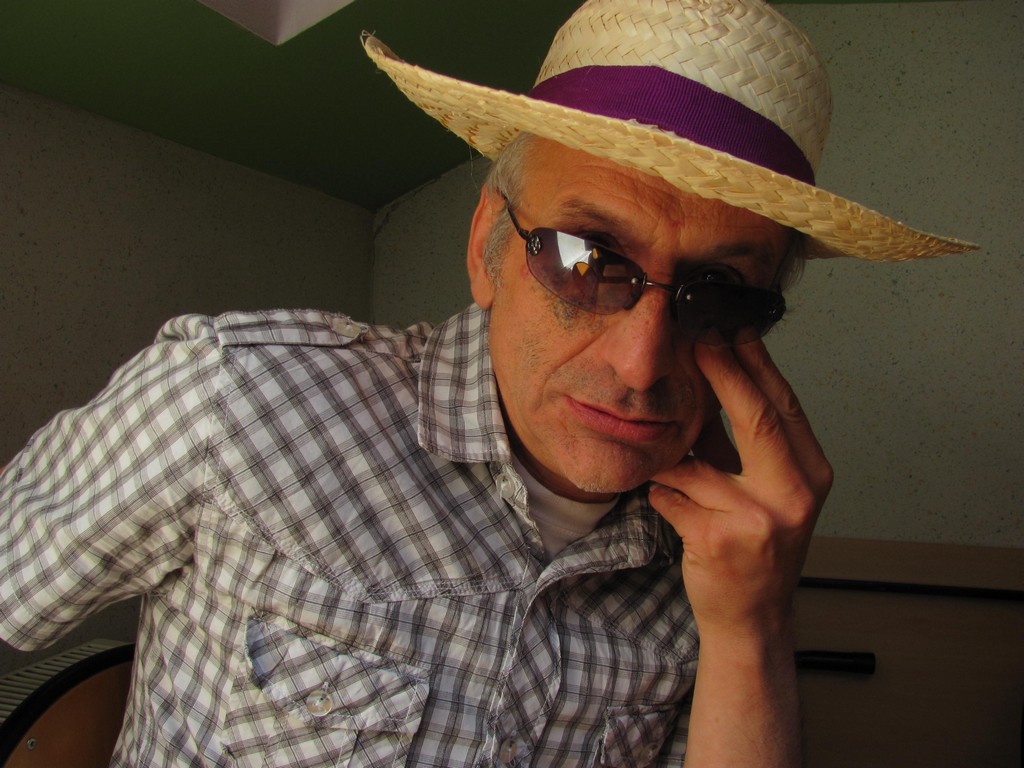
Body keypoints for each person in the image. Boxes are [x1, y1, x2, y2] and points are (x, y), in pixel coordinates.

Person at [0, 1, 973, 766]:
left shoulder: (719, 563)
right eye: (585, 260)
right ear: (487, 248)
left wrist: (752, 624)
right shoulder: (238, 400)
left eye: (716, 295)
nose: (639, 364)